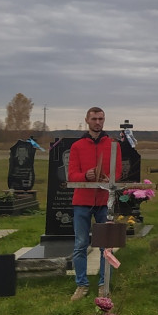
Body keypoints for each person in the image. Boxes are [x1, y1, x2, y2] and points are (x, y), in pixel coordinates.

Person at [67, 106, 121, 301]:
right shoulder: (77, 146)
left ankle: (103, 285)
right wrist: (85, 175)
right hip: (82, 201)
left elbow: (118, 172)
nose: (98, 122)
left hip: (104, 201)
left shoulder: (113, 145)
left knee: (105, 246)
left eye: (101, 119)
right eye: (94, 119)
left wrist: (110, 179)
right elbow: (72, 175)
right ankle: (81, 285)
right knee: (81, 244)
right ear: (87, 120)